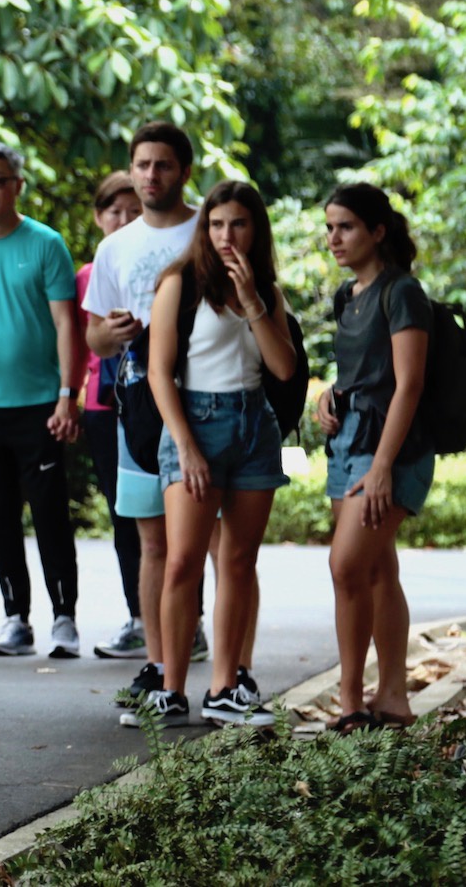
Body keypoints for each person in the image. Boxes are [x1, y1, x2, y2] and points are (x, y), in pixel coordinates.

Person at [138, 181, 294, 727]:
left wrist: (252, 301)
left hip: (255, 426)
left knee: (238, 562)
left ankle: (226, 687)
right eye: (217, 223)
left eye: (239, 224)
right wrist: (185, 447)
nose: (227, 235)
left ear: (257, 230)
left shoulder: (268, 291)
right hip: (194, 424)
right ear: (205, 228)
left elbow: (283, 368)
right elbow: (160, 372)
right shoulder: (180, 283)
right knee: (182, 561)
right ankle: (171, 688)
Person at [81, 123, 202, 711]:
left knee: (209, 543)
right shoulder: (114, 246)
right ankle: (157, 667)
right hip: (138, 407)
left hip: (208, 400)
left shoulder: (210, 228)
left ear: (184, 171)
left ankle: (226, 672)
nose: (152, 175)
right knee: (152, 542)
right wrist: (113, 330)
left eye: (163, 165)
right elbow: (94, 337)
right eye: (142, 165)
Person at [314, 183, 434, 732]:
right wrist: (328, 394)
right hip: (348, 444)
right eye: (331, 227)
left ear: (377, 231)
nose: (334, 238)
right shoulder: (349, 296)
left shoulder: (402, 292)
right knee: (378, 570)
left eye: (346, 227)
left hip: (390, 450)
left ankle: (350, 701)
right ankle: (392, 699)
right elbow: (362, 372)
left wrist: (383, 466)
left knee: (346, 566)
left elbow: (408, 385)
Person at [0, 142, 84, 659]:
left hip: (40, 405)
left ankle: (64, 619)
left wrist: (66, 397)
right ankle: (16, 618)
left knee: (50, 513)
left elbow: (65, 324)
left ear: (17, 186)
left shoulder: (45, 243)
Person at [77, 172, 144, 659]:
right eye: (114, 211)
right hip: (103, 406)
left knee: (167, 519)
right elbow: (81, 343)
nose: (123, 220)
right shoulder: (89, 273)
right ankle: (138, 617)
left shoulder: (161, 265)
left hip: (156, 403)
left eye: (133, 210)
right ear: (99, 218)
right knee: (123, 516)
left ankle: (192, 622)